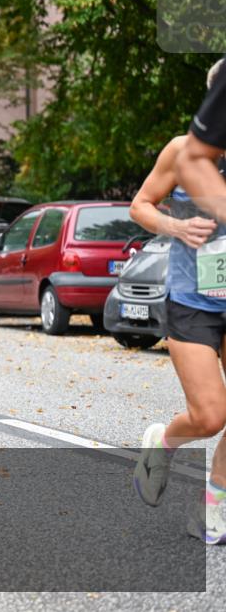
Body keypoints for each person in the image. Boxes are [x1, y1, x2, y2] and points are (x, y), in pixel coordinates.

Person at [134, 57, 226, 545]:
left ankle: (215, 508)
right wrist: (175, 225)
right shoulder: (182, 152)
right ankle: (162, 444)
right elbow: (140, 205)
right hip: (194, 300)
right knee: (211, 415)